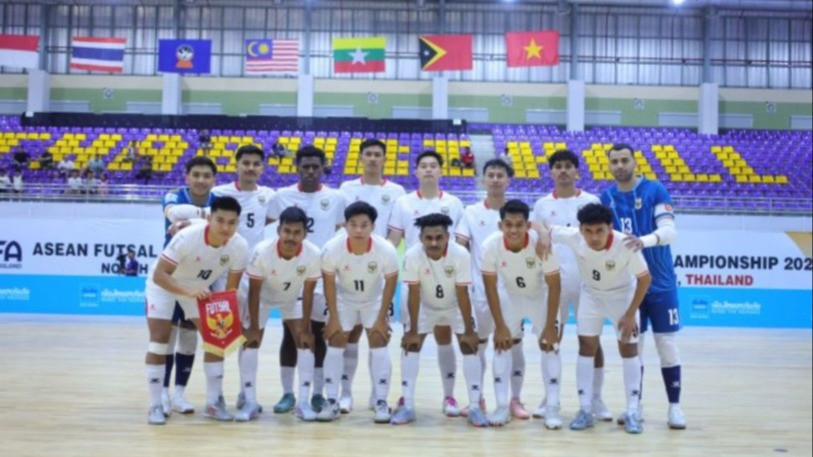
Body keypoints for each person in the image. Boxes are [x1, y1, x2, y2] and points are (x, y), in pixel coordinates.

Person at [143, 196, 249, 425]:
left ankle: (213, 402)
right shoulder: (187, 237)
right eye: (220, 220)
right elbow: (160, 276)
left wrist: (227, 321)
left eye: (232, 222)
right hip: (164, 284)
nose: (225, 227)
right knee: (159, 341)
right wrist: (187, 291)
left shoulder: (239, 246)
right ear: (210, 218)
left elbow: (230, 289)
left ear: (237, 224)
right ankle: (155, 404)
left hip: (195, 288)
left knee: (217, 338)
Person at [602, 143, 685, 429]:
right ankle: (634, 406)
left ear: (635, 162)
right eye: (615, 162)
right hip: (627, 286)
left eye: (625, 160)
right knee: (632, 347)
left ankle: (675, 407)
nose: (620, 166)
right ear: (609, 166)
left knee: (667, 346)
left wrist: (643, 241)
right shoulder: (607, 197)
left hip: (661, 284)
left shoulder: (655, 190)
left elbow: (670, 231)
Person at [549, 203, 651, 434]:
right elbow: (540, 227)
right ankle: (585, 410)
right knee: (586, 346)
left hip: (622, 298)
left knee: (628, 348)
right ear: (580, 229)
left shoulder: (625, 244)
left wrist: (630, 314)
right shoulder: (573, 237)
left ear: (610, 228)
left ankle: (633, 410)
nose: (593, 237)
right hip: (591, 295)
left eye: (599, 231)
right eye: (588, 231)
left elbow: (645, 279)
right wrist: (544, 239)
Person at [266, 145, 346, 415]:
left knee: (317, 335)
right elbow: (270, 229)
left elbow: (339, 234)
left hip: (322, 277)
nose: (310, 171)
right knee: (291, 335)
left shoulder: (336, 198)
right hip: (291, 275)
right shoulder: (281, 197)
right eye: (305, 166)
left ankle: (318, 395)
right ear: (297, 167)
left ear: (323, 167)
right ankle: (288, 393)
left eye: (315, 166)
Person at [530, 149, 609, 421]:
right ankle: (549, 397)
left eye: (568, 166)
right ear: (551, 172)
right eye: (558, 167)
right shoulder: (541, 206)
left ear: (577, 171)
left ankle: (595, 399)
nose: (563, 171)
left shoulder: (592, 201)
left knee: (592, 342)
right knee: (550, 340)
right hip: (555, 284)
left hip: (588, 284)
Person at [388, 150, 466, 417]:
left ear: (441, 172)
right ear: (416, 172)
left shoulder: (454, 203)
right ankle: (406, 397)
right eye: (424, 166)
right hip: (415, 278)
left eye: (434, 166)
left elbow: (460, 242)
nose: (429, 170)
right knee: (412, 338)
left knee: (445, 337)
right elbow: (394, 240)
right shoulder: (403, 203)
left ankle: (449, 397)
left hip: (447, 280)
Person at [392, 213, 486, 427]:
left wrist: (469, 330)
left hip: (454, 305)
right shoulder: (412, 255)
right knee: (412, 345)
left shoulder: (461, 254)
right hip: (425, 304)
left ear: (448, 237)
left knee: (469, 346)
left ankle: (474, 406)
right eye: (428, 238)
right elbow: (413, 293)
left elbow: (463, 293)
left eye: (439, 237)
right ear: (420, 238)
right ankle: (407, 404)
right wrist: (413, 329)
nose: (434, 243)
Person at [337, 138, 406, 413]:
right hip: (351, 268)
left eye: (378, 154)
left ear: (384, 159)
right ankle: (344, 394)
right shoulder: (347, 188)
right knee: (350, 334)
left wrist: (379, 253)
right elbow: (344, 226)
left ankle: (379, 396)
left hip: (380, 271)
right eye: (369, 154)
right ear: (361, 157)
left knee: (378, 334)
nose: (373, 158)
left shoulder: (397, 190)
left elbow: (396, 231)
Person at [481, 200, 562, 428]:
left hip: (540, 297)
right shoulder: (490, 246)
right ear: (500, 226)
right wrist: (499, 325)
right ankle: (501, 406)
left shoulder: (541, 244)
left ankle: (553, 408)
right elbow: (490, 286)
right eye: (509, 225)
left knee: (550, 346)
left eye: (519, 224)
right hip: (511, 297)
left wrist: (549, 325)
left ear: (528, 225)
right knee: (502, 345)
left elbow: (555, 285)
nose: (514, 230)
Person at [456, 158, 526, 419]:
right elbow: (460, 247)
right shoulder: (471, 212)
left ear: (508, 180)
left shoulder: (517, 213)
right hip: (479, 293)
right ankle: (478, 399)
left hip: (512, 293)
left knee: (512, 344)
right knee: (478, 345)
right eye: (491, 175)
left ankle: (513, 400)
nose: (496, 179)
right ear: (483, 180)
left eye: (500, 175)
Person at [317, 201, 399, 423]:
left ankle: (381, 400)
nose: (359, 230)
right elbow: (328, 284)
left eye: (364, 225)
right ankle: (332, 400)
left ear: (373, 226)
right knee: (334, 342)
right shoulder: (332, 248)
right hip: (344, 300)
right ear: (346, 226)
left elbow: (391, 283)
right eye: (353, 224)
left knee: (380, 342)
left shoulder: (386, 250)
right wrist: (333, 318)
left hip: (374, 300)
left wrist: (382, 318)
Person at [241, 207, 322, 422]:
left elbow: (308, 293)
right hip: (262, 298)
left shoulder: (313, 254)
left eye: (297, 232)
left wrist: (306, 329)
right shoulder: (261, 251)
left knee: (305, 343)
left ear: (304, 234)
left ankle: (302, 402)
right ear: (278, 230)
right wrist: (253, 328)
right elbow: (254, 292)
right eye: (287, 231)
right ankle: (249, 400)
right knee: (250, 342)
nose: (291, 237)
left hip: (292, 298)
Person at [211, 144, 275, 416]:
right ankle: (215, 398)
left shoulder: (269, 196)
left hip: (254, 275)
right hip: (221, 275)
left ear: (262, 168)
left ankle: (247, 394)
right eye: (245, 162)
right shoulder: (219, 193)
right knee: (220, 336)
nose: (250, 168)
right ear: (236, 165)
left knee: (251, 336)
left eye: (255, 163)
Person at [159, 156, 219, 416]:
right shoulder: (173, 196)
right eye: (196, 174)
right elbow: (172, 213)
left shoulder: (219, 201)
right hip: (171, 276)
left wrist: (192, 221)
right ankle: (162, 392)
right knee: (167, 336)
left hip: (203, 278)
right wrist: (205, 218)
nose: (201, 180)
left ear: (213, 180)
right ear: (187, 177)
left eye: (206, 175)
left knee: (189, 335)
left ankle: (180, 393)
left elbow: (222, 226)